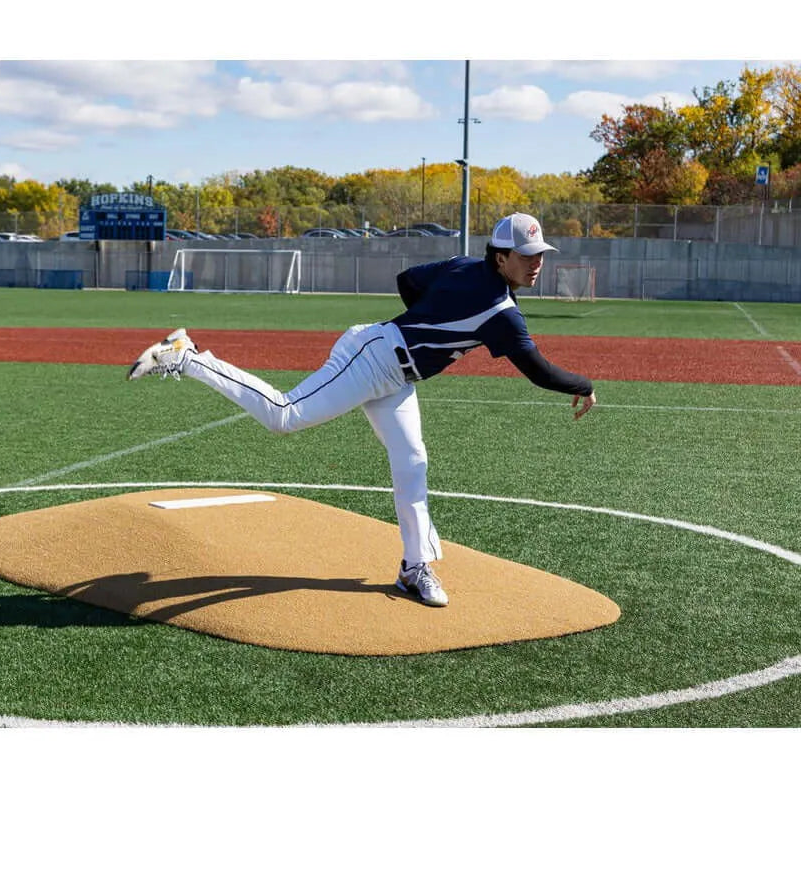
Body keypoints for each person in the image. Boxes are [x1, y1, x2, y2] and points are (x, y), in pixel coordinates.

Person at [128, 212, 596, 608]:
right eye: (528, 256)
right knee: (284, 416)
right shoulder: (501, 312)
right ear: (501, 257)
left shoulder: (463, 266)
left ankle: (415, 568)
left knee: (413, 461)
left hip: (392, 368)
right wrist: (585, 384)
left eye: (540, 255)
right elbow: (537, 371)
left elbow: (408, 282)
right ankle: (187, 356)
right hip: (373, 357)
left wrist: (421, 324)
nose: (537, 264)